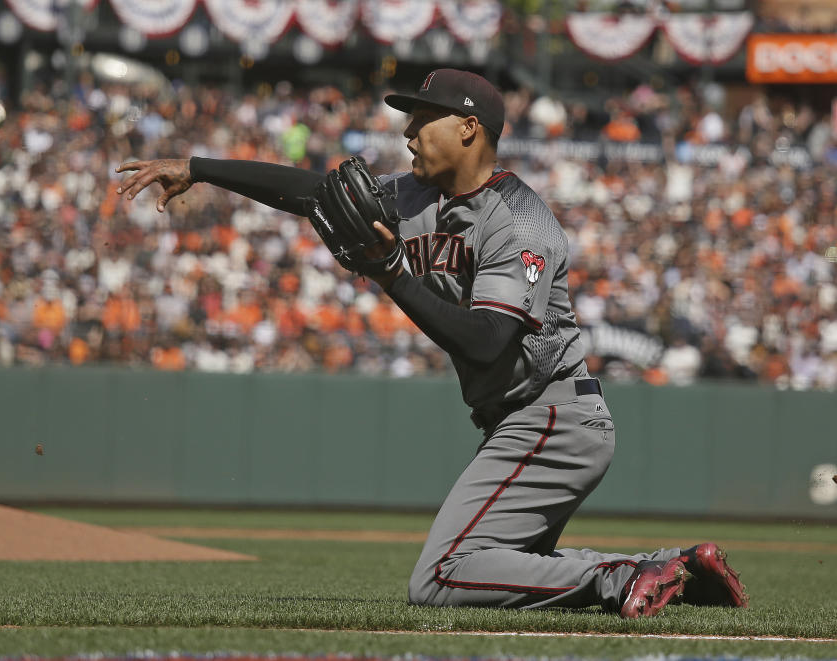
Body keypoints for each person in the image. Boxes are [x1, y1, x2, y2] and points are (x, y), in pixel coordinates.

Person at [115, 69, 748, 618]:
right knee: (503, 567)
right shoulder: (416, 198)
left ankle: (620, 578)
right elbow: (317, 195)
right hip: (524, 418)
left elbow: (489, 344)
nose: (407, 133)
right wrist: (199, 169)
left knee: (442, 576)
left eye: (422, 120)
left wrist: (392, 272)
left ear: (470, 128)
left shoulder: (519, 223)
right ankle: (671, 567)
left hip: (553, 417)